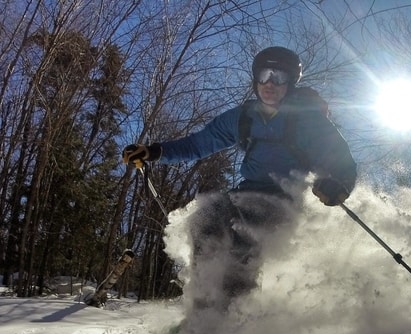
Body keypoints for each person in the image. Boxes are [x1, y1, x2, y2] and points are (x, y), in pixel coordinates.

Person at [122, 46, 357, 310]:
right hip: (247, 192)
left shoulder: (308, 120)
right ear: (255, 78)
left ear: (290, 82)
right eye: (264, 75)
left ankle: (235, 314)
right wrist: (155, 151)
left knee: (244, 235)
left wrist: (339, 184)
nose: (270, 83)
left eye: (279, 77)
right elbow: (200, 143)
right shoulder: (244, 117)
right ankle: (203, 309)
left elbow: (340, 159)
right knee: (205, 218)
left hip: (286, 200)